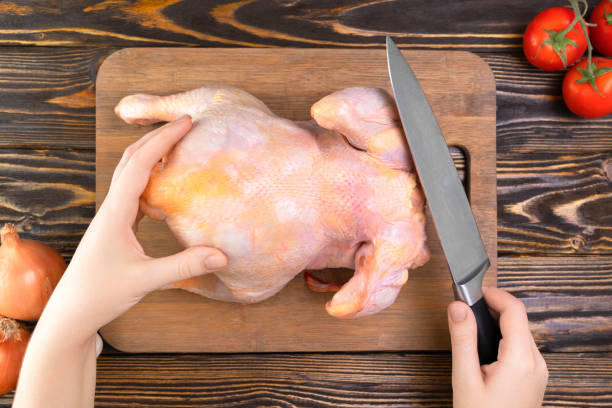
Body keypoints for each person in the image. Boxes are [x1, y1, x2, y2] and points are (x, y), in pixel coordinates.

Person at [12, 116, 549, 407]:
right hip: (251, 240)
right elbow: (356, 300)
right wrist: (67, 332)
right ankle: (184, 279)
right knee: (250, 286)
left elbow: (335, 110)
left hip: (237, 145)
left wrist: (64, 329)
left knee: (227, 116)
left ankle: (161, 110)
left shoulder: (373, 146)